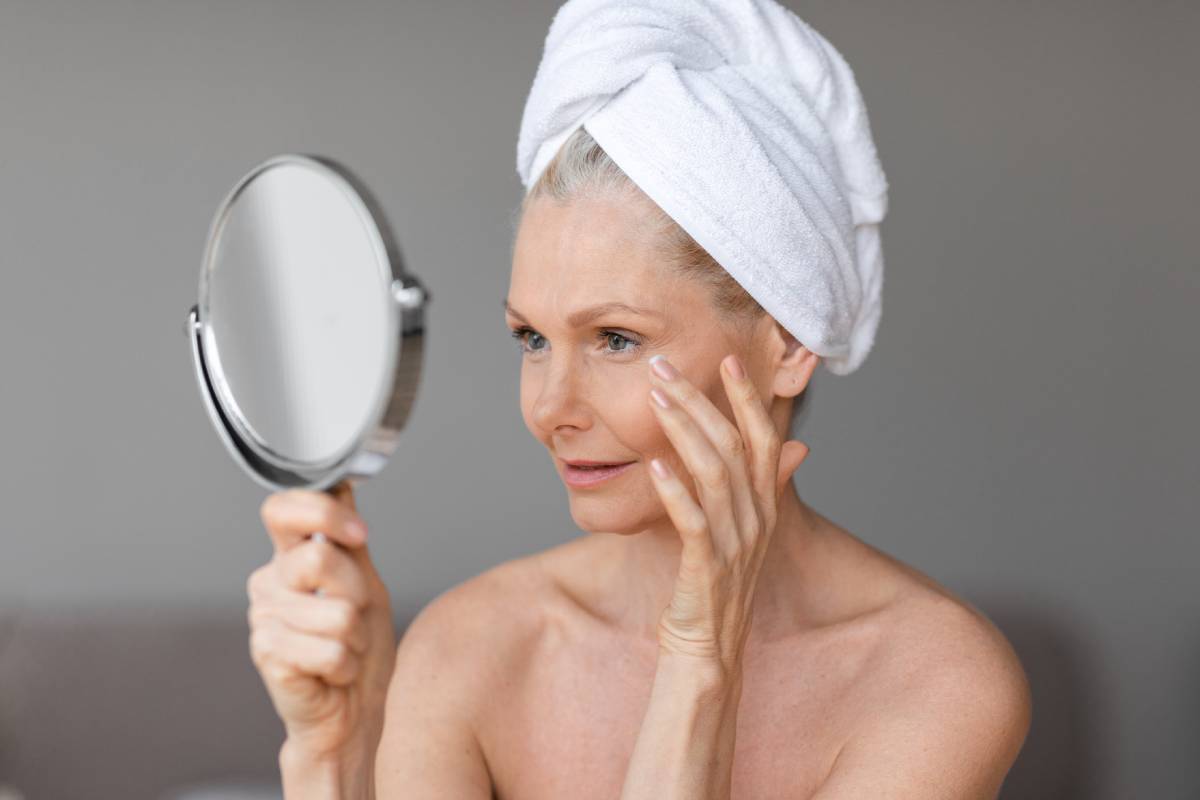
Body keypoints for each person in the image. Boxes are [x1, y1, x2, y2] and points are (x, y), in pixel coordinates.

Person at [247, 3, 1032, 798]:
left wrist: (699, 658)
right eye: (532, 338)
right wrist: (333, 755)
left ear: (788, 344)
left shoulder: (934, 678)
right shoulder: (473, 648)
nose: (553, 408)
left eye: (616, 339)